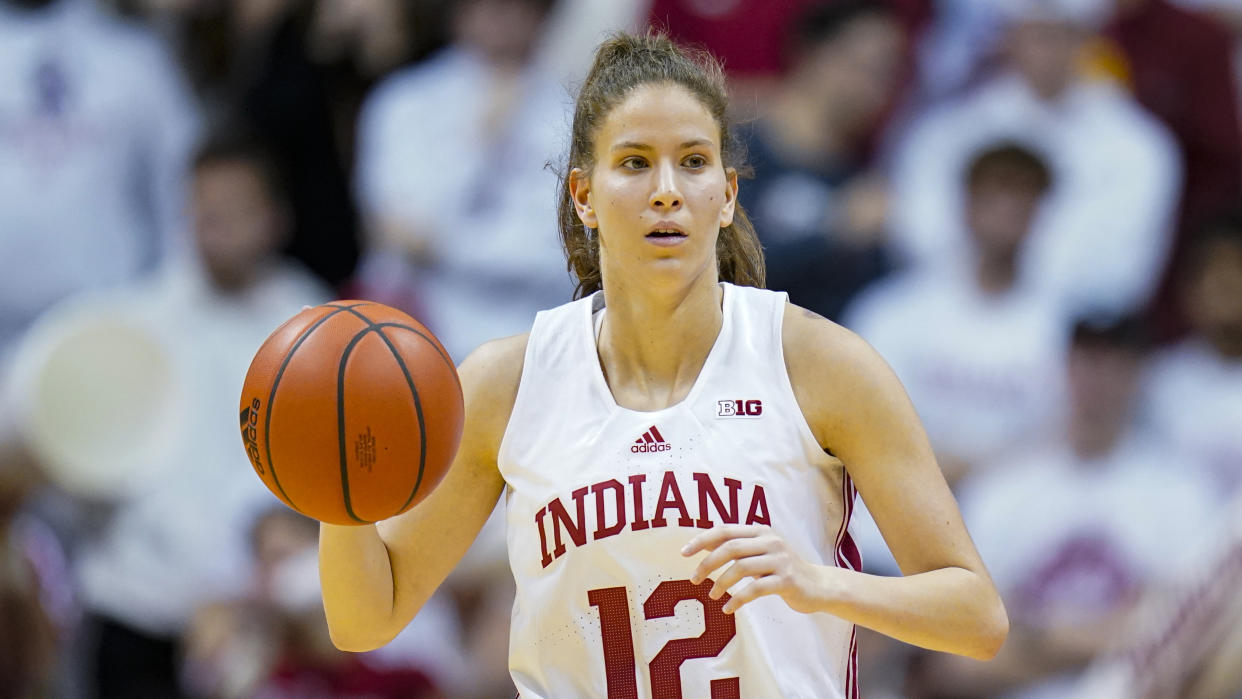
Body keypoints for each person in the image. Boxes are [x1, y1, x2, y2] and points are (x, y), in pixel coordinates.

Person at [320, 33, 1007, 698]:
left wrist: (822, 582)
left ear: (729, 192)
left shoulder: (818, 362)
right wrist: (334, 492)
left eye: (694, 161)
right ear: (585, 195)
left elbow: (978, 617)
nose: (668, 190)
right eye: (635, 162)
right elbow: (365, 618)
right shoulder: (508, 382)